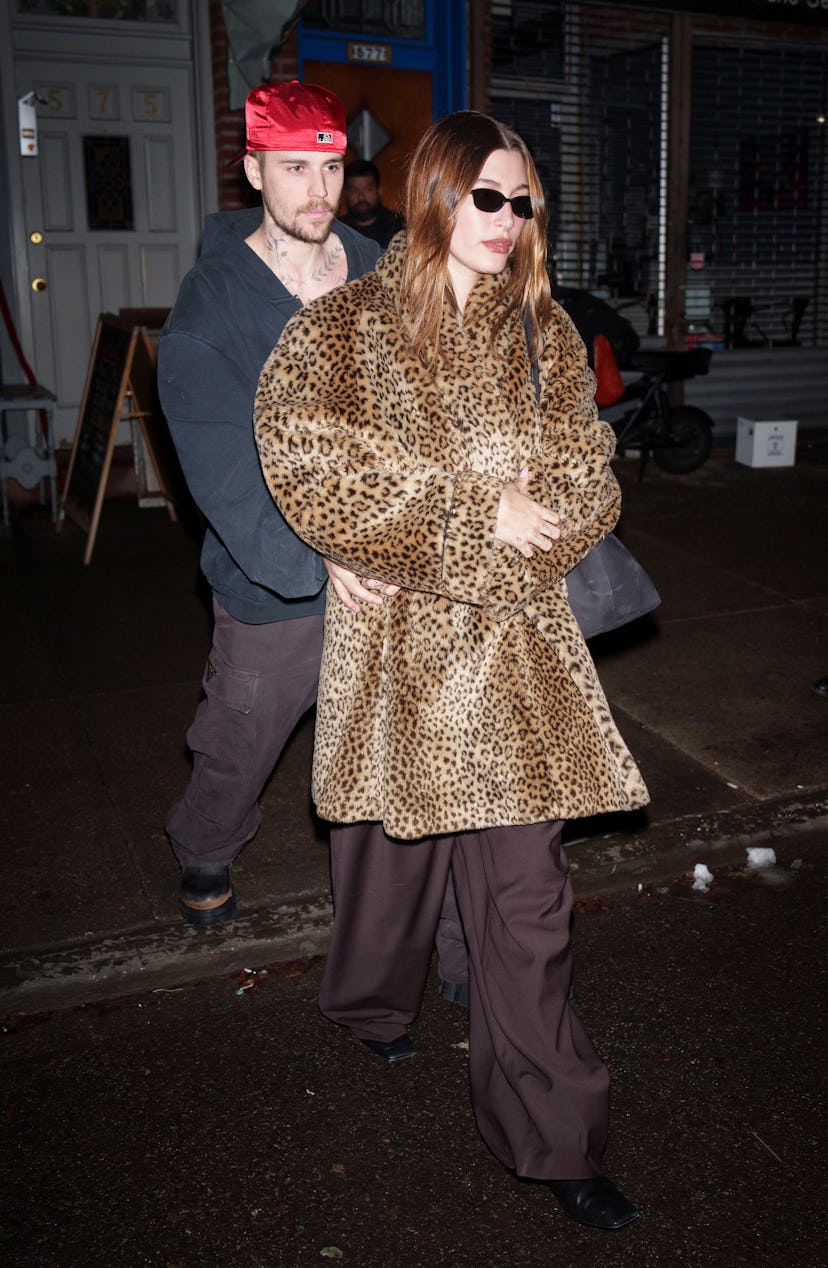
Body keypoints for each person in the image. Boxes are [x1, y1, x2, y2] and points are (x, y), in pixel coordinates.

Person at [254, 110, 649, 1231]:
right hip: (400, 659)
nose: (510, 220)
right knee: (388, 855)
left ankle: (556, 1136)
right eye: (490, 197)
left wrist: (541, 520)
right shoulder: (341, 331)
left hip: (517, 658)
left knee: (528, 903)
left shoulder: (545, 330)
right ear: (434, 195)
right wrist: (478, 516)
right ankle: (372, 997)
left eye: (524, 202)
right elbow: (309, 459)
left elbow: (589, 470)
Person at [157, 80, 385, 925]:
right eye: (294, 169)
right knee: (243, 732)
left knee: (403, 741)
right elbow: (216, 459)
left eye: (329, 167)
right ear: (254, 170)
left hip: (393, 558)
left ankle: (418, 914)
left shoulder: (376, 270)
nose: (319, 191)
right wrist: (314, 556)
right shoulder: (212, 301)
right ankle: (203, 843)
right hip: (274, 571)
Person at [338, 158, 404, 248]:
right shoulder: (338, 231)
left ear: (379, 190)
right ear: (345, 193)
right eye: (354, 191)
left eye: (368, 189)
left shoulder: (400, 227)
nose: (361, 197)